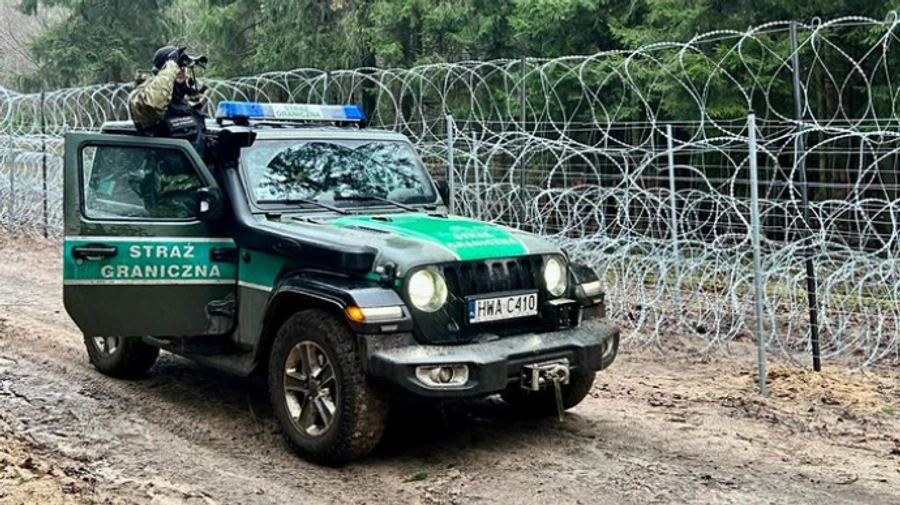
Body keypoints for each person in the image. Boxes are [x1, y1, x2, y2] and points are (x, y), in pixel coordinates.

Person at [129, 45, 211, 218]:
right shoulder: (142, 99)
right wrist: (171, 65)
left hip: (198, 195)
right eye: (176, 66)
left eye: (183, 66)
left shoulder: (187, 101)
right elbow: (153, 103)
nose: (181, 70)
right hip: (167, 202)